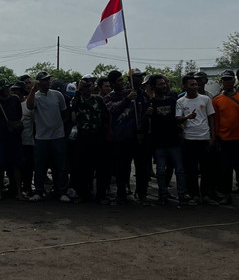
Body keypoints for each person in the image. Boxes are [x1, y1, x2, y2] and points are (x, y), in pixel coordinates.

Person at [211, 70, 239, 206]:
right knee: (225, 170)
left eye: (229, 79)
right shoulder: (216, 100)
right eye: (225, 79)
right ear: (221, 81)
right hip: (224, 139)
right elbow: (216, 120)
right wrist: (216, 137)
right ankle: (226, 195)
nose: (227, 82)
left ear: (234, 81)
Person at [143, 74, 186, 206]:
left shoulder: (174, 101)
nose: (164, 86)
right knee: (160, 171)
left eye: (164, 83)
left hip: (174, 142)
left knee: (179, 170)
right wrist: (147, 114)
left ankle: (182, 196)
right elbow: (143, 123)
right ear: (153, 87)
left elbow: (179, 119)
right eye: (160, 84)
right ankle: (162, 195)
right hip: (159, 143)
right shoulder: (149, 104)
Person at [27, 71, 69, 202]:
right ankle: (39, 191)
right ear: (39, 82)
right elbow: (29, 106)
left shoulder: (57, 95)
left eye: (48, 79)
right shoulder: (36, 96)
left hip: (57, 136)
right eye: (44, 80)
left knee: (60, 166)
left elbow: (64, 113)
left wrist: (58, 127)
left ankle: (61, 191)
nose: (47, 82)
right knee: (40, 166)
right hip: (41, 137)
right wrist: (33, 90)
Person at [176, 74, 217, 206]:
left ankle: (205, 195)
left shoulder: (205, 99)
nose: (195, 86)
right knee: (191, 170)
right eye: (191, 84)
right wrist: (187, 117)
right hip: (189, 139)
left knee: (207, 169)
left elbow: (211, 118)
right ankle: (193, 195)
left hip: (204, 138)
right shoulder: (180, 101)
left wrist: (212, 137)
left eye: (196, 84)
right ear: (185, 86)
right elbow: (177, 119)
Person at [70, 76, 110, 202]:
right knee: (83, 168)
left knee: (101, 168)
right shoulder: (77, 100)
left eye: (89, 86)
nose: (88, 89)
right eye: (85, 87)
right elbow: (73, 108)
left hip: (98, 137)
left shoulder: (98, 100)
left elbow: (105, 116)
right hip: (83, 137)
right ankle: (84, 194)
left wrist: (103, 132)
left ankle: (101, 195)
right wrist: (78, 90)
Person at [104, 70, 138, 204]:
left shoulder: (130, 93)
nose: (122, 83)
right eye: (118, 81)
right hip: (117, 138)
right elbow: (113, 109)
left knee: (129, 166)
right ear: (112, 83)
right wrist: (127, 99)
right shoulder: (108, 98)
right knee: (118, 167)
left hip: (131, 136)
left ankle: (129, 191)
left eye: (122, 80)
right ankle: (120, 193)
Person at [0, 80, 24, 200]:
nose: (8, 90)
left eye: (8, 87)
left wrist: (15, 125)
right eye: (5, 88)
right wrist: (5, 126)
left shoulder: (15, 100)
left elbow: (19, 117)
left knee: (16, 166)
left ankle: (19, 192)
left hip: (14, 138)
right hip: (0, 139)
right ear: (0, 91)